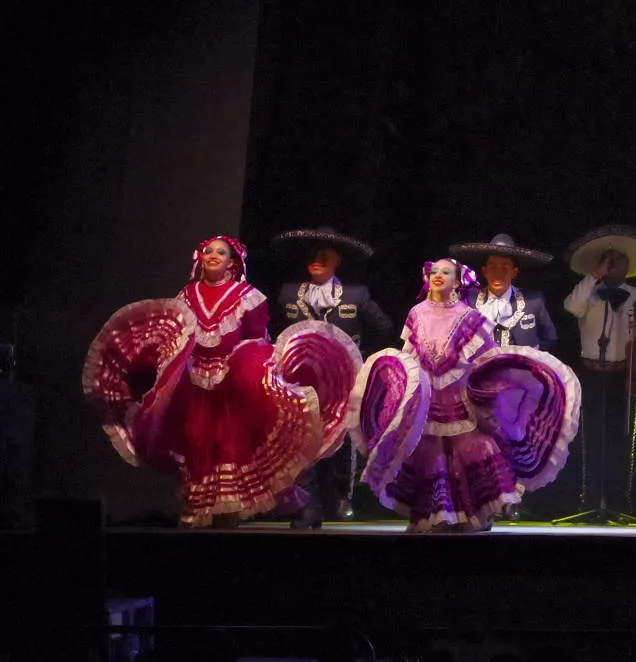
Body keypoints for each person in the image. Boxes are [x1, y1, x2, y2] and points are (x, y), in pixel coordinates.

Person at [83, 235, 361, 527]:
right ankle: (198, 509)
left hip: (233, 382)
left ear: (232, 262)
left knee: (231, 445)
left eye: (221, 252)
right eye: (208, 251)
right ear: (200, 258)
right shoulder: (187, 296)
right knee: (195, 446)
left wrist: (261, 372)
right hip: (193, 383)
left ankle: (230, 512)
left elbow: (257, 339)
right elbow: (177, 335)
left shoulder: (246, 296)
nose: (213, 256)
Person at [349, 258, 580, 532]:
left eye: (445, 273)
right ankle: (432, 515)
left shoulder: (469, 317)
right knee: (428, 456)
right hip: (428, 399)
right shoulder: (416, 313)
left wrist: (494, 389)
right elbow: (409, 355)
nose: (438, 276)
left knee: (467, 450)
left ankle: (470, 514)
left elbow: (488, 358)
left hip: (460, 398)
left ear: (457, 282)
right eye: (433, 272)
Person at [271, 225, 394, 527]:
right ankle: (306, 502)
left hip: (343, 383)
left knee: (343, 440)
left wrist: (360, 358)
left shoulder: (355, 294)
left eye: (325, 255)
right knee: (300, 440)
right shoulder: (289, 293)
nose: (317, 258)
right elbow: (276, 331)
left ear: (337, 260)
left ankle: (341, 496)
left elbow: (384, 327)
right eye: (313, 254)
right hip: (299, 382)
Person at [559, 225, 636, 523]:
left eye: (621, 260)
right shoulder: (587, 292)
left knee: (621, 438)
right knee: (590, 437)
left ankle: (621, 501)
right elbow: (570, 307)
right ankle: (590, 499)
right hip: (591, 371)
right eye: (611, 260)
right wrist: (594, 275)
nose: (617, 264)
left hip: (625, 373)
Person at [451, 233, 559, 349]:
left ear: (514, 272)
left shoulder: (532, 300)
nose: (498, 274)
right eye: (493, 267)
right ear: (485, 271)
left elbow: (549, 338)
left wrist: (531, 358)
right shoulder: (469, 300)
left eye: (504, 268)